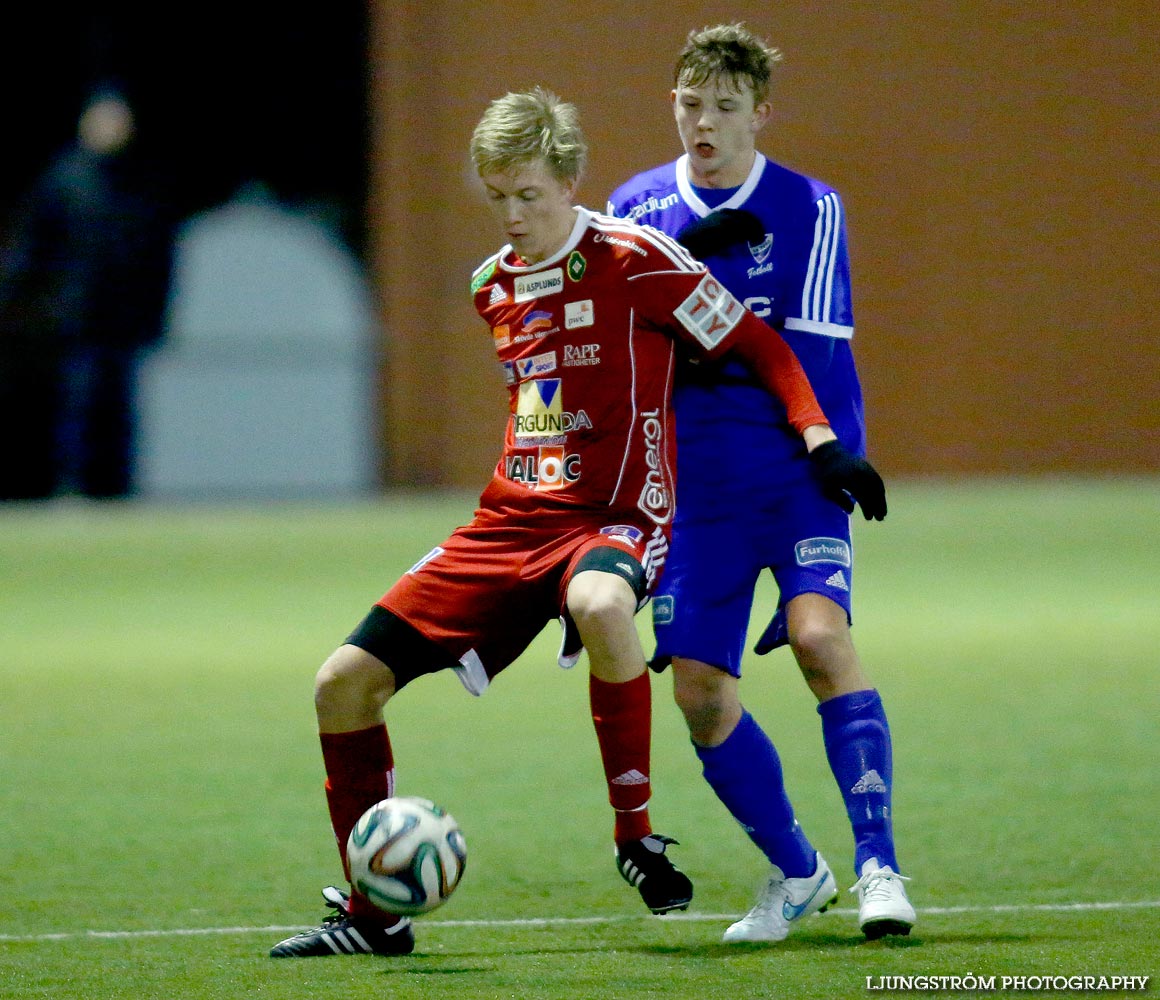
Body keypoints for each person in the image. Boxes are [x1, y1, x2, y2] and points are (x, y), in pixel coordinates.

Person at [270, 86, 885, 958]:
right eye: (498, 197)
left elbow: (760, 344)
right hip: (507, 524)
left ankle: (634, 835)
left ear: (570, 181)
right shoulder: (493, 287)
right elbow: (544, 406)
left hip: (618, 517)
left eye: (529, 195)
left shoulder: (638, 258)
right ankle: (378, 919)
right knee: (340, 683)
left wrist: (820, 439)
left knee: (602, 606)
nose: (513, 216)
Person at [607, 22, 916, 942]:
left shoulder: (810, 207)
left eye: (725, 108)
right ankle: (796, 871)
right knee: (698, 690)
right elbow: (623, 358)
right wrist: (689, 264)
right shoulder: (635, 208)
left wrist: (836, 454)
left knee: (821, 640)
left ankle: (878, 868)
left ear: (760, 113)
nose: (704, 123)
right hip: (696, 495)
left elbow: (816, 351)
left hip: (793, 472)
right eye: (690, 104)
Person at [0, 85, 178, 499]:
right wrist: (18, 300)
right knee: (78, 406)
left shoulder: (142, 183)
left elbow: (160, 256)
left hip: (124, 320)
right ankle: (74, 489)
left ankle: (117, 490)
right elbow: (34, 249)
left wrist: (156, 314)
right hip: (76, 320)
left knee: (121, 409)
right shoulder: (65, 180)